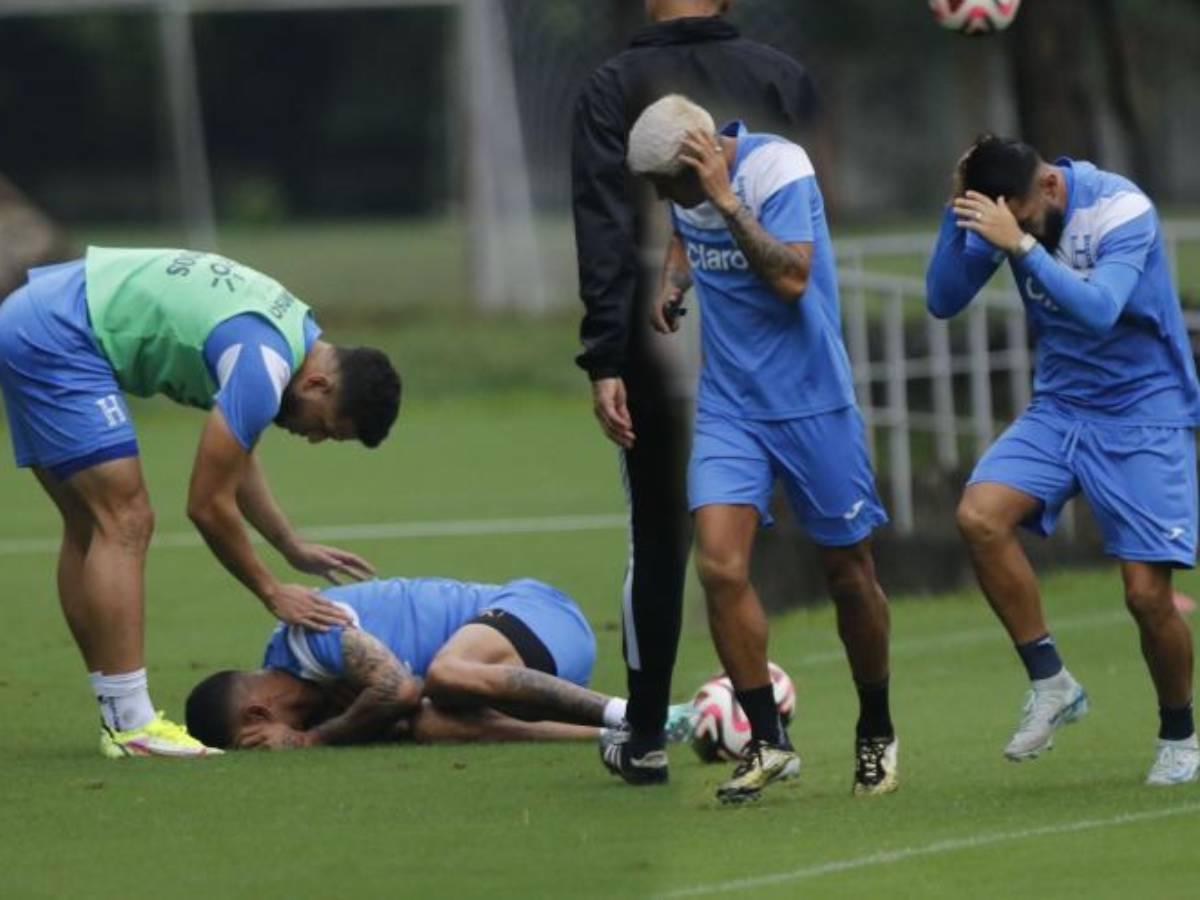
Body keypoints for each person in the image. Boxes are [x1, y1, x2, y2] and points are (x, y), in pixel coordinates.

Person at [0, 247, 401, 758]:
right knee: (125, 520)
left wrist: (288, 544)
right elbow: (207, 505)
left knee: (87, 525)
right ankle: (132, 725)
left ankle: (119, 717)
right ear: (318, 384)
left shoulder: (293, 333)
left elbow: (235, 459)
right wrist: (270, 590)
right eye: (324, 427)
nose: (314, 438)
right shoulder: (264, 367)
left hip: (34, 314)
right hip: (58, 333)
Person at [571, 0, 818, 786]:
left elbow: (603, 227)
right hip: (797, 352)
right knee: (834, 549)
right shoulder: (782, 76)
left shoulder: (611, 87)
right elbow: (815, 217)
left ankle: (646, 737)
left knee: (660, 539)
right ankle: (859, 732)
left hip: (661, 352)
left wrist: (605, 355)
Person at [624, 95, 896, 804]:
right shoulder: (689, 192)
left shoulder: (779, 170)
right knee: (718, 565)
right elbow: (684, 229)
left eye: (666, 183)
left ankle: (876, 726)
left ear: (700, 162)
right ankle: (770, 742)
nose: (662, 199)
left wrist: (725, 201)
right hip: (730, 407)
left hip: (813, 402)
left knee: (850, 574)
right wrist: (673, 282)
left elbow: (792, 278)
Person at [926, 134, 1200, 786]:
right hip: (1061, 407)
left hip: (1143, 412)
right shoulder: (1009, 211)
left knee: (1147, 597)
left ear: (1049, 187)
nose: (1020, 232)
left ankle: (1180, 735)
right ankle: (1051, 681)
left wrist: (1018, 244)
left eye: (1024, 220)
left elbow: (1101, 310)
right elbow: (942, 298)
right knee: (980, 516)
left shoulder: (1121, 209)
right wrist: (957, 211)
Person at [185, 575, 695, 750]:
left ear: (258, 713)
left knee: (442, 676)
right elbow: (400, 715)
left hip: (538, 614)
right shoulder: (309, 687)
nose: (268, 748)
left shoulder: (306, 638)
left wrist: (310, 740)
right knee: (429, 726)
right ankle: (618, 733)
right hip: (522, 678)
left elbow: (399, 690)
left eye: (254, 741)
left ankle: (642, 714)